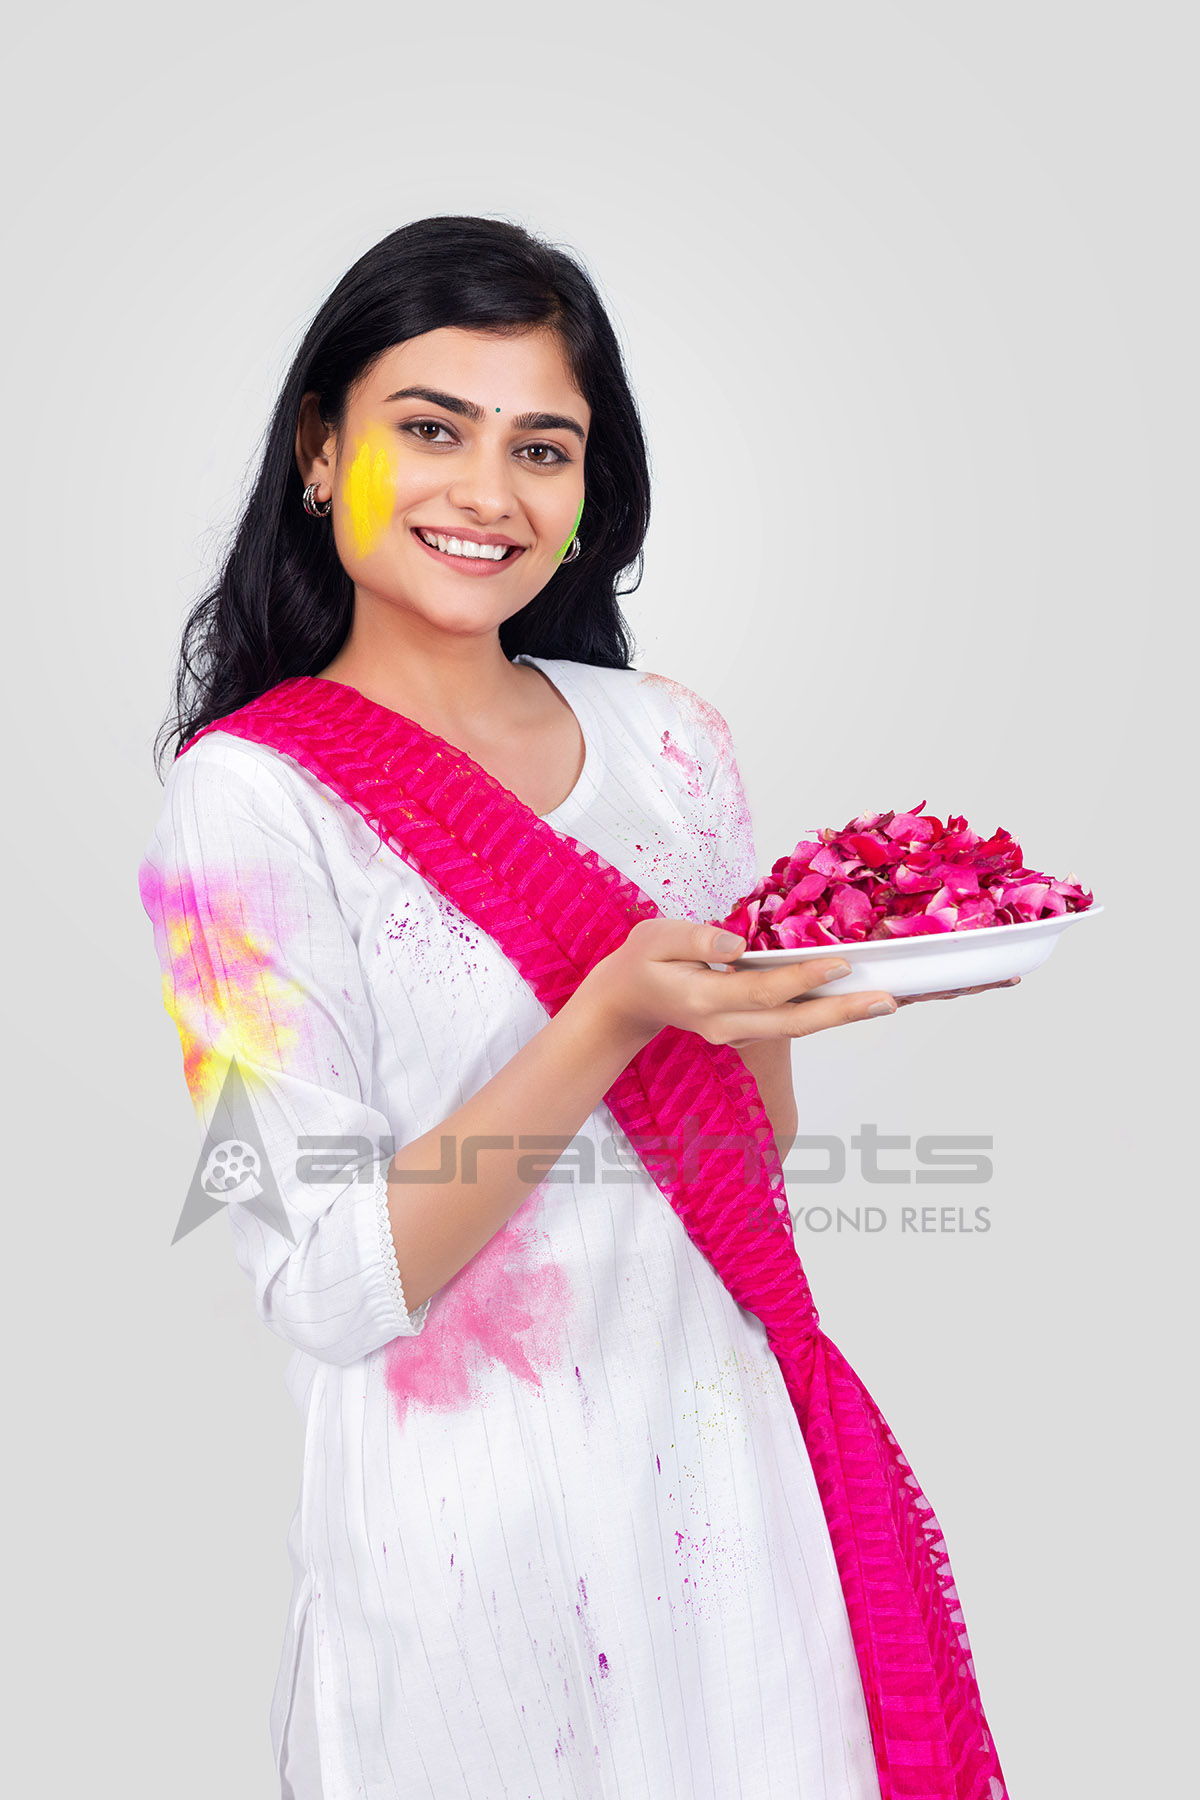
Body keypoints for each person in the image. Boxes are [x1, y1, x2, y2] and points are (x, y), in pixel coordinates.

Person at [138, 215, 1012, 1800]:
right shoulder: (244, 809)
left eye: (543, 446)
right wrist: (603, 1019)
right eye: (429, 429)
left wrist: (814, 985)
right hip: (469, 1559)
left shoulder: (668, 746)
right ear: (321, 454)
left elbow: (741, 1167)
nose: (488, 491)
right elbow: (332, 1288)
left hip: (737, 1509)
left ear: (587, 497)